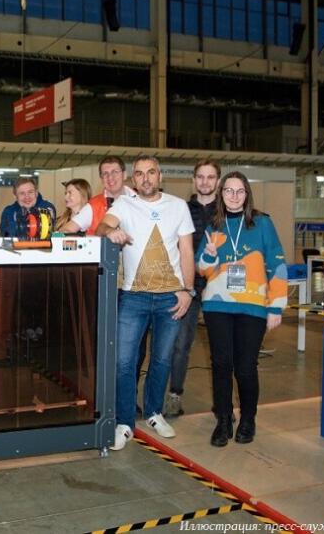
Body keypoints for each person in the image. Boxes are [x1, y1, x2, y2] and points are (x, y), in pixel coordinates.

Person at [97, 156, 195, 451]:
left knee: (162, 360)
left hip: (171, 296)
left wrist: (187, 290)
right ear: (134, 179)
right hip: (133, 297)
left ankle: (154, 412)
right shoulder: (124, 204)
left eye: (151, 172)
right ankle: (124, 422)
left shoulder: (178, 206)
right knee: (124, 362)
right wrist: (110, 231)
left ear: (160, 176)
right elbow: (101, 227)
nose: (145, 178)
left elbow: (186, 251)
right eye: (139, 174)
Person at [197, 171, 287, 447]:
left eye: (239, 191)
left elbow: (277, 264)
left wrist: (276, 307)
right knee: (221, 364)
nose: (234, 196)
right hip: (217, 305)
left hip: (253, 306)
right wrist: (209, 255)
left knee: (246, 367)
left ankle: (248, 418)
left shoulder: (262, 223)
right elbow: (202, 269)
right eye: (228, 191)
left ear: (247, 194)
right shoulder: (214, 226)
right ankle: (224, 419)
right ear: (221, 194)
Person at [163, 159, 221, 418]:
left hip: (220, 288)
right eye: (201, 177)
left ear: (218, 181)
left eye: (210, 177)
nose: (205, 182)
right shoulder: (181, 210)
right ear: (194, 180)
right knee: (180, 345)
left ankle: (222, 403)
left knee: (221, 349)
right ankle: (174, 395)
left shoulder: (227, 211)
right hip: (189, 287)